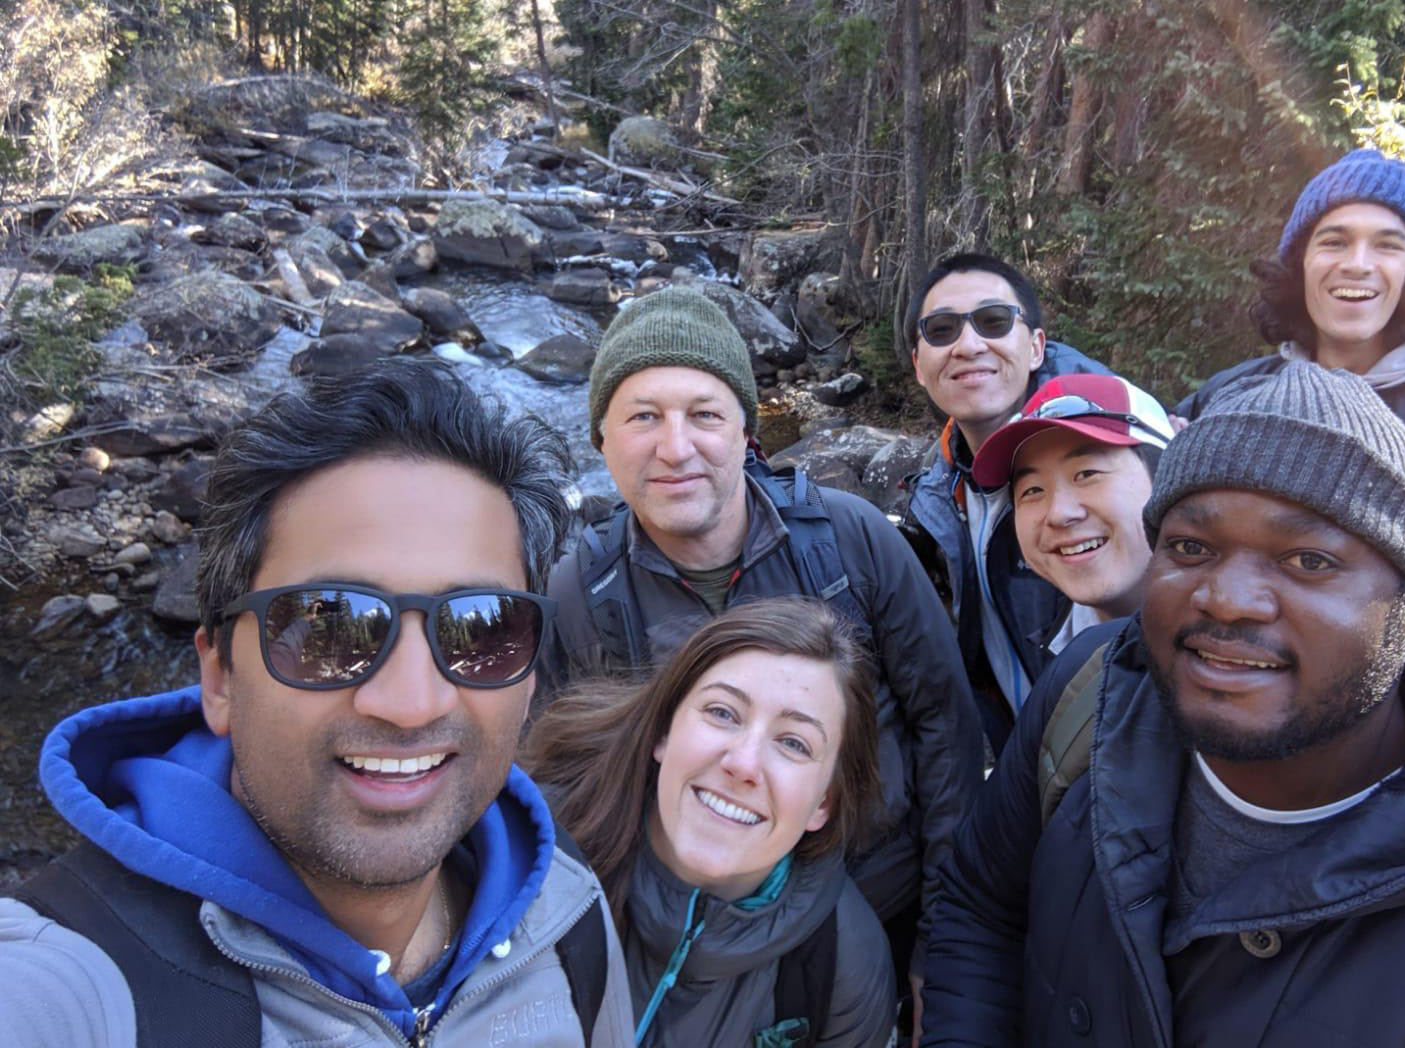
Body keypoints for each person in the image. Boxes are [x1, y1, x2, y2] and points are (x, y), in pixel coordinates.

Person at [922, 362, 1405, 1046]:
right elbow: (982, 908)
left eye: (1308, 560)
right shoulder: (1088, 694)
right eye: (1191, 547)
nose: (1228, 599)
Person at [0, 359, 632, 1047]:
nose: (411, 703)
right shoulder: (74, 986)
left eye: (482, 629)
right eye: (329, 626)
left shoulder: (566, 910)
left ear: (530, 678)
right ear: (220, 677)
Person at [539, 285, 980, 1013]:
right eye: (643, 416)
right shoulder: (580, 592)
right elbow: (561, 796)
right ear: (601, 441)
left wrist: (944, 940)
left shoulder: (851, 541)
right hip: (691, 951)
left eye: (705, 415)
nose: (675, 448)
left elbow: (947, 730)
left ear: (745, 429)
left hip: (879, 909)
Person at [1176, 148, 1405, 599]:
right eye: (1334, 242)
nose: (1357, 264)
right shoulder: (1230, 395)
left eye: (1387, 245)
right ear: (1300, 263)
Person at [527, 598, 896, 1047]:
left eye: (794, 744)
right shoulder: (526, 852)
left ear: (824, 802)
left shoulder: (844, 964)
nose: (743, 764)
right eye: (723, 713)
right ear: (663, 731)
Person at [900, 252, 1112, 752]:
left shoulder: (1113, 458)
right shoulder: (942, 486)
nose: (968, 345)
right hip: (1024, 756)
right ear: (919, 366)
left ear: (1036, 347)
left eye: (993, 321)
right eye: (942, 330)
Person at [968, 372, 1173, 649]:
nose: (1059, 514)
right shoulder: (1051, 648)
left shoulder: (1225, 649)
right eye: (1032, 490)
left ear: (1167, 477)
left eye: (1087, 474)